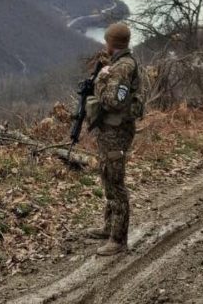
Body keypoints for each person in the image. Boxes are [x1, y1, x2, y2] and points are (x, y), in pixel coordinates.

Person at [86, 22, 142, 256]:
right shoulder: (121, 63)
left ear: (112, 43)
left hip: (116, 132)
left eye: (107, 40)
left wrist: (100, 80)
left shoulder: (121, 68)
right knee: (107, 175)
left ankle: (118, 240)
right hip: (112, 130)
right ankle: (109, 227)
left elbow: (114, 101)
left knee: (115, 182)